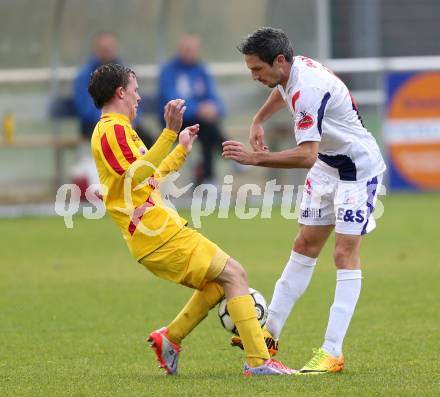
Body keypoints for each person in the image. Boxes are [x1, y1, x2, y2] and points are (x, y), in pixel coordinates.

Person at [88, 63, 293, 376]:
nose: (139, 97)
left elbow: (149, 176)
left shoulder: (120, 130)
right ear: (120, 93)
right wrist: (169, 132)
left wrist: (180, 148)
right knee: (235, 274)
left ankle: (169, 339)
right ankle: (259, 362)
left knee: (218, 283)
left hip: (158, 233)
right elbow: (136, 175)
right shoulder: (111, 130)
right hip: (157, 234)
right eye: (135, 90)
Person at [223, 27, 386, 374]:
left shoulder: (309, 88)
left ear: (279, 60)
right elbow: (282, 89)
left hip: (356, 169)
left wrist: (254, 159)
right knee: (304, 244)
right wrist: (258, 118)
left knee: (344, 254)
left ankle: (332, 352)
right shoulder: (289, 72)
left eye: (257, 70)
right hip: (329, 166)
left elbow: (306, 156)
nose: (254, 77)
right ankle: (270, 334)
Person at [158, 34, 226, 184]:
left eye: (193, 49)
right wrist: (198, 109)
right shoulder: (169, 70)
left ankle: (206, 179)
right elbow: (171, 100)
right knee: (208, 128)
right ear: (179, 50)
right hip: (174, 123)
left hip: (200, 122)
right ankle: (227, 157)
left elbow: (213, 96)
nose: (190, 53)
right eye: (187, 49)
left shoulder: (201, 70)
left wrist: (216, 109)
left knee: (207, 129)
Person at [73, 32, 153, 146]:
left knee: (149, 142)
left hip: (125, 122)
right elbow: (86, 108)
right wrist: (112, 120)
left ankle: (143, 164)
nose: (107, 52)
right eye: (103, 48)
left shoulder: (124, 72)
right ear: (96, 50)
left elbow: (134, 99)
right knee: (117, 141)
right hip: (95, 124)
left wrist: (132, 119)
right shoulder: (85, 75)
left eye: (109, 48)